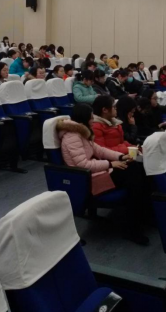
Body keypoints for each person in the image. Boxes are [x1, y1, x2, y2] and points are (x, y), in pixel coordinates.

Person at [57, 104, 150, 246]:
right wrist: (110, 164)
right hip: (87, 181)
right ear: (84, 118)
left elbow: (100, 150)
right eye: (91, 117)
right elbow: (83, 165)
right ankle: (132, 227)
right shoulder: (72, 137)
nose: (93, 120)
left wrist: (120, 157)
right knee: (132, 174)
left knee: (134, 169)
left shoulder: (81, 132)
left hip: (97, 174)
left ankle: (140, 217)